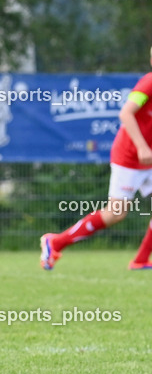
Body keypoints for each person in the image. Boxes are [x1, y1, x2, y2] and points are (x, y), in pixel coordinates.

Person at [42, 50, 152, 270]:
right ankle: (55, 242)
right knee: (115, 214)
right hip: (129, 157)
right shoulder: (149, 83)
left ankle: (140, 260)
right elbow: (125, 114)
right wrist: (142, 147)